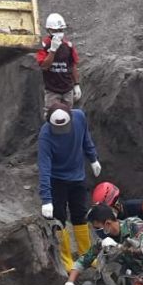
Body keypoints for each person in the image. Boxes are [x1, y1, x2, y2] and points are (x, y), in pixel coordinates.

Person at [38, 101, 102, 273]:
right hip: (56, 180)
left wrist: (93, 158)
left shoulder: (79, 117)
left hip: (77, 176)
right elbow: (44, 167)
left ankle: (87, 255)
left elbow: (86, 139)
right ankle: (66, 258)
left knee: (80, 215)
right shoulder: (45, 135)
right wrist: (46, 199)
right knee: (59, 218)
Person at [35, 12, 81, 112]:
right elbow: (44, 66)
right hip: (52, 90)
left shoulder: (68, 46)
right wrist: (52, 51)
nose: (59, 33)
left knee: (68, 116)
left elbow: (73, 65)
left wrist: (76, 84)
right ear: (49, 30)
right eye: (56, 30)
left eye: (61, 30)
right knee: (52, 116)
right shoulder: (44, 46)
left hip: (67, 89)